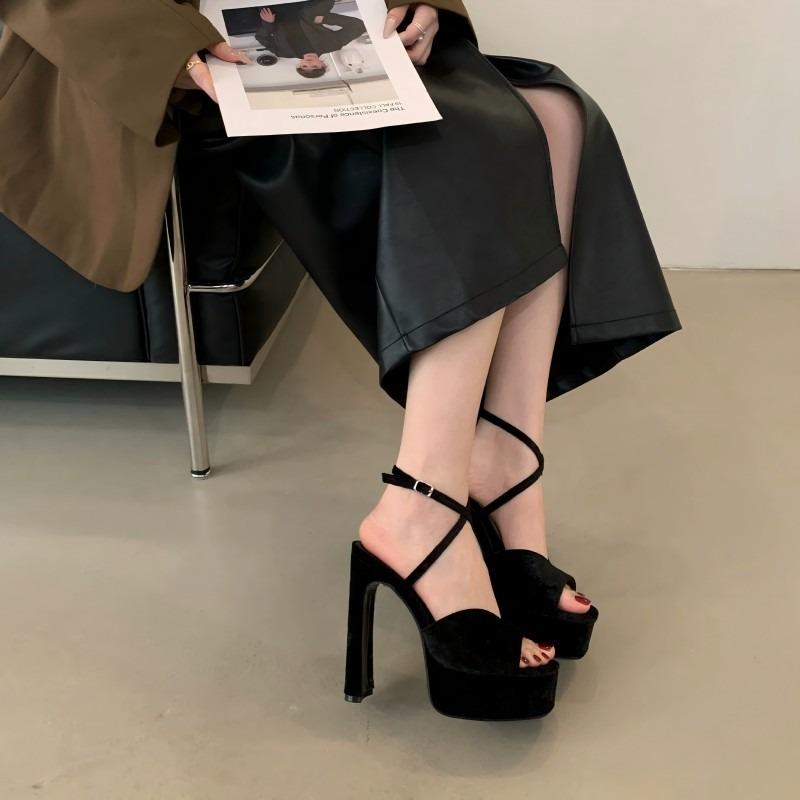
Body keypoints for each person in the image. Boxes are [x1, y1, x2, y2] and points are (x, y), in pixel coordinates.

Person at [0, 1, 681, 721]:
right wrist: (175, 47)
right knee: (467, 144)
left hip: (315, 22)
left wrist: (421, 6)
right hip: (154, 43)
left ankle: (501, 461)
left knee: (556, 115)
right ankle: (420, 505)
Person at [255, 2, 367, 79]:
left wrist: (269, 23)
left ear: (299, 65)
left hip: (276, 12)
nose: (309, 63)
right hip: (309, 6)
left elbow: (261, 37)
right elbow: (359, 27)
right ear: (322, 64)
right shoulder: (332, 45)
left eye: (304, 66)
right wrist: (326, 19)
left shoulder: (283, 53)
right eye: (314, 66)